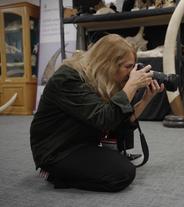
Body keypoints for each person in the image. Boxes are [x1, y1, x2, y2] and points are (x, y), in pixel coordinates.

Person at [30, 34, 164, 192]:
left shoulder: (100, 79)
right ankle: (55, 174)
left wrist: (146, 99)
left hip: (80, 141)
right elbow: (104, 119)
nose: (131, 73)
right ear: (107, 64)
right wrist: (131, 86)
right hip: (56, 150)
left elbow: (117, 123)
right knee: (122, 173)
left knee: (119, 163)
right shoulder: (68, 79)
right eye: (128, 67)